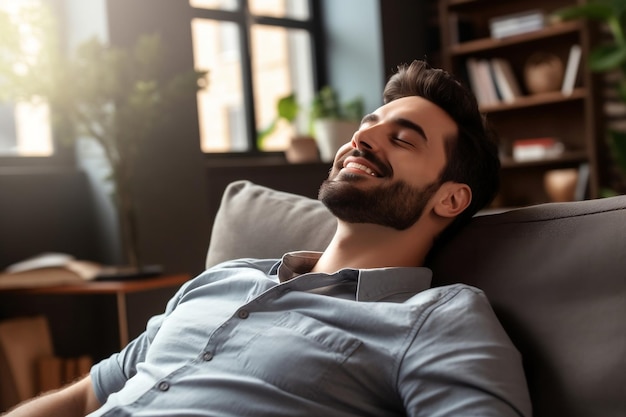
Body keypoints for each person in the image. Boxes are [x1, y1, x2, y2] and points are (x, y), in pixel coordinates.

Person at [4, 60, 531, 417]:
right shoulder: (225, 278)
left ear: (451, 199)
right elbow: (84, 397)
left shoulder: (434, 319)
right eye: (369, 124)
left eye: (401, 140)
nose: (362, 137)